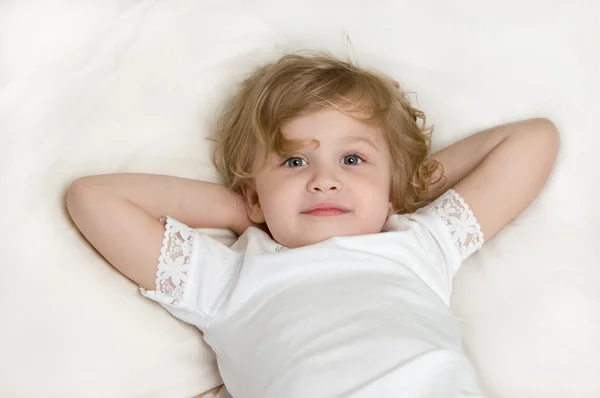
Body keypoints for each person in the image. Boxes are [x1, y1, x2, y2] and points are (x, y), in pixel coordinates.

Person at [66, 52, 560, 397]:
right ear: (255, 193)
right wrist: (243, 210)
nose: (325, 181)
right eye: (294, 163)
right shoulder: (230, 279)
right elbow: (95, 198)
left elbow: (533, 140)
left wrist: (401, 190)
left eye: (352, 158)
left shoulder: (419, 244)